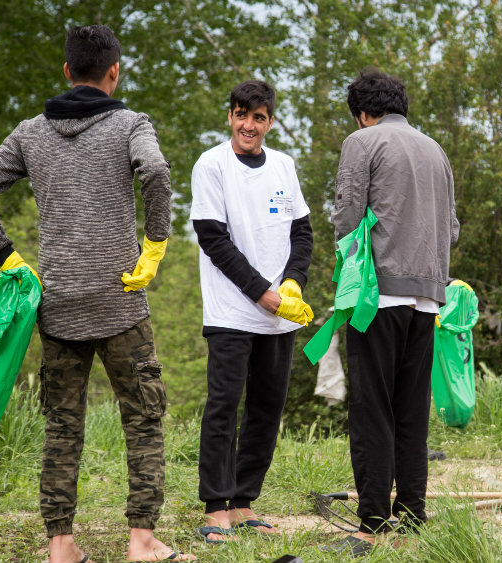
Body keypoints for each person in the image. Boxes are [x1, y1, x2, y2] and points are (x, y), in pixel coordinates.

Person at [0, 24, 191, 563]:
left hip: (58, 302)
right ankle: (142, 541)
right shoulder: (132, 124)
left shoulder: (30, 133)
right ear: (114, 71)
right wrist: (154, 243)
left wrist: (9, 258)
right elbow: (155, 169)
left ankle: (61, 545)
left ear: (67, 71)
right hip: (120, 298)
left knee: (62, 425)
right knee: (143, 418)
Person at [328, 69, 459, 555]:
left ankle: (372, 523)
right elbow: (452, 230)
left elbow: (346, 217)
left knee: (371, 409)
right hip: (427, 296)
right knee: (410, 409)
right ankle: (412, 515)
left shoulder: (362, 143)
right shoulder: (435, 150)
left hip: (377, 295)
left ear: (363, 113)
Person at [189, 80, 314, 544]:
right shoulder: (212, 165)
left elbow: (302, 233)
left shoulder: (283, 165)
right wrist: (262, 291)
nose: (248, 124)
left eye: (258, 117)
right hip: (230, 313)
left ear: (270, 122)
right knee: (223, 407)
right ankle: (215, 506)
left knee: (266, 408)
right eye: (241, 114)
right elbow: (212, 236)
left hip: (280, 313)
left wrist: (292, 283)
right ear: (230, 117)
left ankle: (243, 503)